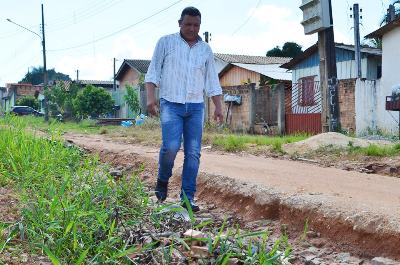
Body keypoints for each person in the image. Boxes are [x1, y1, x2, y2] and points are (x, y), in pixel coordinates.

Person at [145, 6, 223, 212]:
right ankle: (163, 179)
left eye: (196, 25)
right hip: (171, 103)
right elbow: (152, 73)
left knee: (194, 152)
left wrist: (218, 107)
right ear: (179, 23)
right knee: (170, 147)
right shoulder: (166, 42)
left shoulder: (205, 50)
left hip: (196, 106)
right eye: (188, 24)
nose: (192, 28)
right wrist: (150, 99)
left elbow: (212, 81)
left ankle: (187, 198)